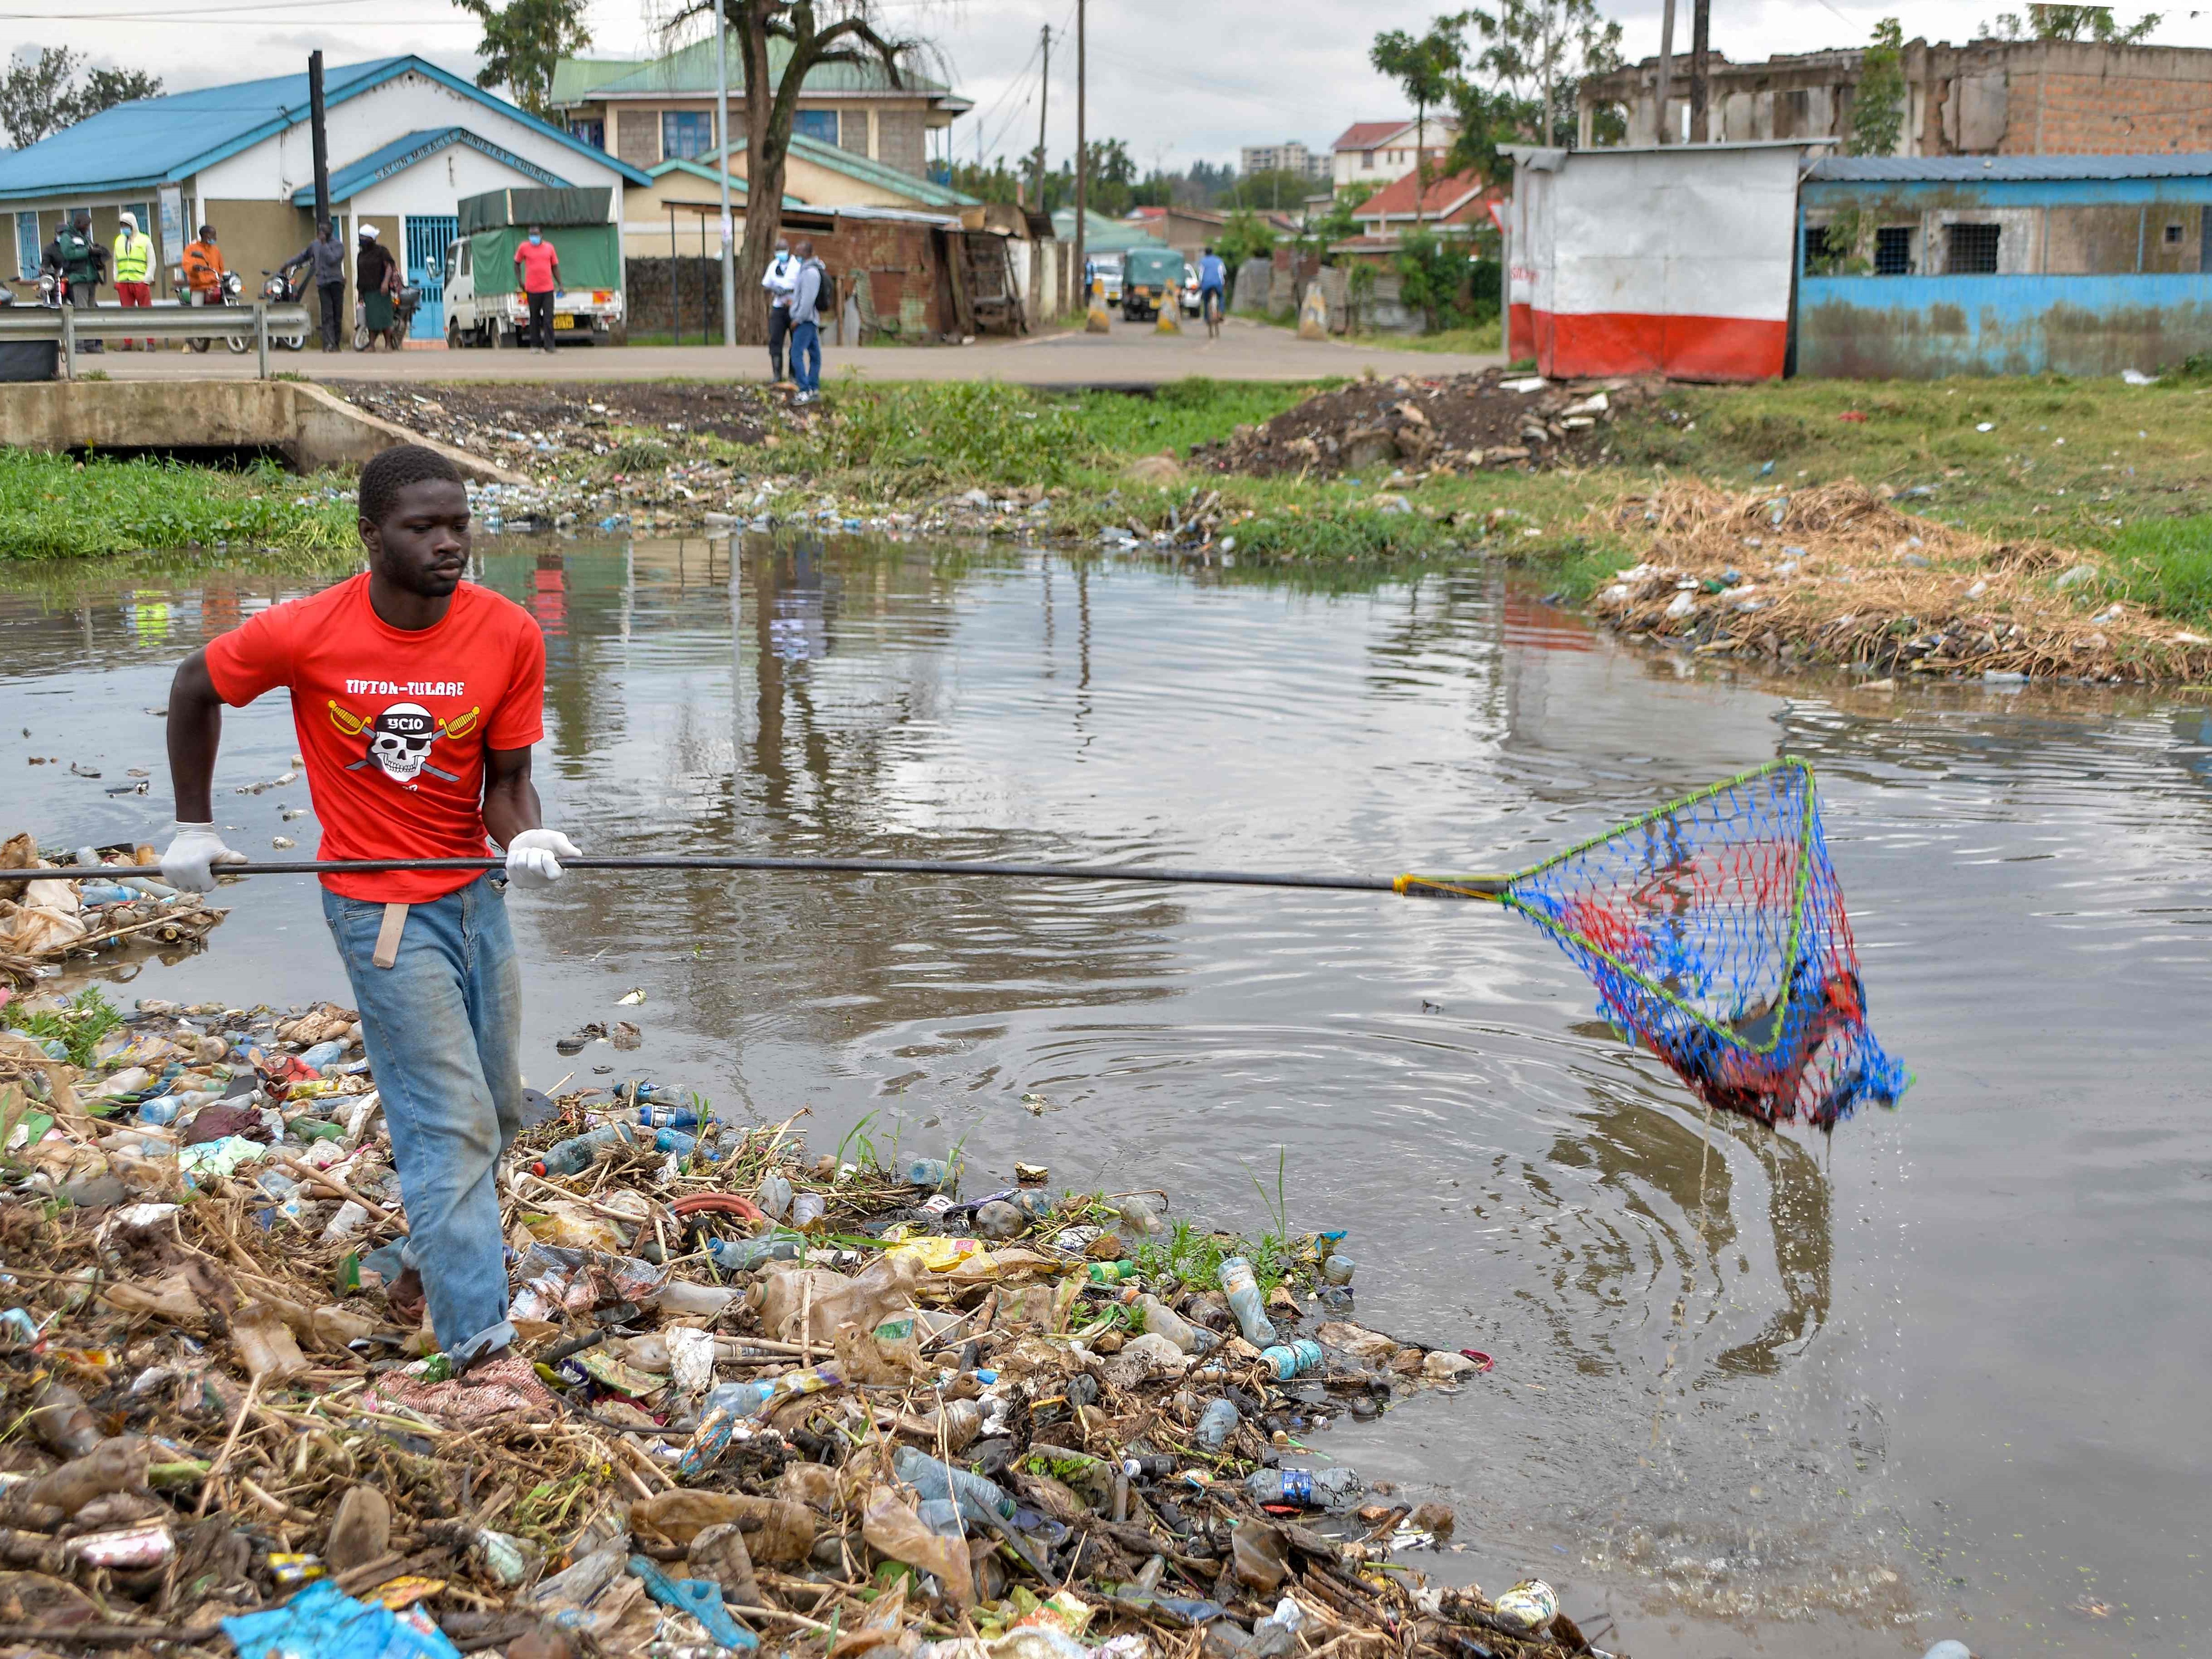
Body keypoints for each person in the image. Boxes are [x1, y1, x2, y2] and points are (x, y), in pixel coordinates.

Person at [160, 444, 577, 1400]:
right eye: (421, 527)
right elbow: (195, 684)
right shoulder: (310, 630)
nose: (448, 544)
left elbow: (507, 784)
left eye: (459, 523)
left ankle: (433, 1259)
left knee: (503, 1108)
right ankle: (479, 1350)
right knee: (449, 1123)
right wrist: (193, 823)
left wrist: (527, 840)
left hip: (476, 898)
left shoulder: (509, 633)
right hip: (379, 908)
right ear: (371, 536)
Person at [282, 219, 348, 351]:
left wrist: (324, 244)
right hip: (323, 283)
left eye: (324, 230)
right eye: (320, 230)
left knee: (337, 314)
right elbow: (303, 256)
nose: (321, 232)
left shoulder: (338, 246)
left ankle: (336, 344)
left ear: (331, 231)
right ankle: (328, 344)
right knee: (327, 314)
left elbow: (332, 260)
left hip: (336, 282)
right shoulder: (315, 245)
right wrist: (287, 264)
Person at [43, 211, 105, 349]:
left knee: (91, 312)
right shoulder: (67, 237)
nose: (87, 228)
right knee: (81, 312)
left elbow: (88, 251)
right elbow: (69, 254)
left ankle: (91, 344)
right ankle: (79, 344)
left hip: (91, 278)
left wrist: (97, 252)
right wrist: (88, 252)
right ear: (78, 224)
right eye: (86, 225)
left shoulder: (84, 237)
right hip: (78, 278)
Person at [786, 238, 826, 404]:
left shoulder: (810, 273)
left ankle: (805, 390)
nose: (796, 254)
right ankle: (814, 388)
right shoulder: (806, 270)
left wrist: (798, 319)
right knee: (815, 355)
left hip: (806, 321)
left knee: (796, 353)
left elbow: (808, 300)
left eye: (799, 251)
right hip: (810, 320)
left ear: (807, 253)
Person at [512, 224, 560, 353]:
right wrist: (520, 281)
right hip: (532, 290)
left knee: (549, 318)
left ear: (541, 235)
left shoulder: (549, 248)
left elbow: (555, 267)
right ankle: (535, 345)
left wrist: (560, 284)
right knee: (534, 318)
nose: (534, 237)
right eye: (531, 235)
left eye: (536, 235)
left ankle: (550, 346)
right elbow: (516, 263)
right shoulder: (524, 247)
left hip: (548, 289)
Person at [111, 210, 154, 349]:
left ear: (133, 225)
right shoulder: (119, 240)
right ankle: (127, 343)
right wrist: (116, 280)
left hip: (140, 282)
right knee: (126, 314)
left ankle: (151, 343)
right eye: (122, 225)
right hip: (124, 283)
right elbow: (116, 262)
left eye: (126, 225)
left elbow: (152, 262)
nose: (124, 228)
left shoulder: (145, 240)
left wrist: (146, 280)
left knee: (146, 314)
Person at [355, 224, 399, 349]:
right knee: (371, 320)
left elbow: (390, 267)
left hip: (381, 291)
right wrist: (360, 293)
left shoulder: (381, 251)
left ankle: (388, 344)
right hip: (368, 292)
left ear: (371, 239)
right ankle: (372, 345)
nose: (362, 240)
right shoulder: (361, 255)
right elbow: (360, 274)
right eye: (361, 238)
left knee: (385, 318)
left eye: (364, 238)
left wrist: (385, 283)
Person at [761, 237, 796, 382]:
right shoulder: (773, 265)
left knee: (796, 343)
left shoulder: (796, 266)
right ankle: (777, 374)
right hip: (778, 309)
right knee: (775, 341)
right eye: (778, 251)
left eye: (783, 250)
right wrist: (774, 289)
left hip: (793, 308)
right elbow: (765, 285)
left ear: (788, 251)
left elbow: (802, 286)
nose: (781, 254)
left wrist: (789, 290)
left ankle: (793, 375)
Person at [181, 224, 227, 307]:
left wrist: (221, 277)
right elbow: (187, 266)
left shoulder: (215, 250)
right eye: (214, 235)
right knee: (198, 311)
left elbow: (221, 267)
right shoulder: (191, 249)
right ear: (206, 236)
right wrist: (194, 268)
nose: (215, 238)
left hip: (215, 287)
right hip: (199, 288)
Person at [1197, 244, 1227, 339]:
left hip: (1206, 284)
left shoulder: (1203, 261)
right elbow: (1223, 272)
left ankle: (1207, 318)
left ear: (1205, 253)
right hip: (1218, 283)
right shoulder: (1219, 260)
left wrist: (1200, 284)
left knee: (1206, 300)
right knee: (1221, 297)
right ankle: (1221, 312)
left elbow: (1201, 275)